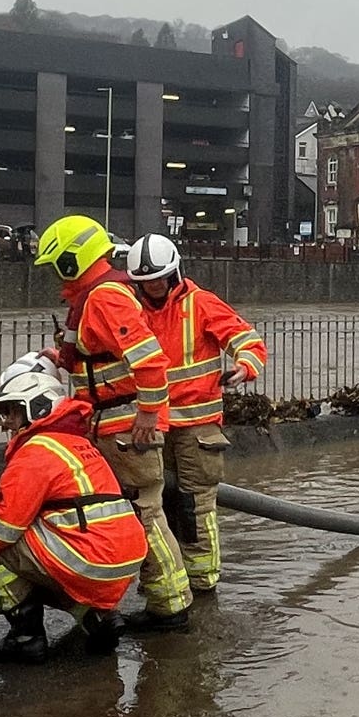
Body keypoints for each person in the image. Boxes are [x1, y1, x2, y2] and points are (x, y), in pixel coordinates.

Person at [0, 358, 148, 663]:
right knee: (37, 556)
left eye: (10, 412)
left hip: (90, 559)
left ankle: (26, 638)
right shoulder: (75, 443)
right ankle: (97, 618)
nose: (4, 422)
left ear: (35, 408)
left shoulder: (36, 453)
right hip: (122, 558)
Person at [33, 213, 192, 631]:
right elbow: (92, 358)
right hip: (111, 423)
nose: (54, 275)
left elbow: (150, 362)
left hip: (125, 426)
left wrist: (145, 416)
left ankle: (170, 605)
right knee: (135, 511)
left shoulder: (105, 297)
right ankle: (164, 600)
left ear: (72, 261)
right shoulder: (93, 298)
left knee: (144, 511)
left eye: (56, 265)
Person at [126, 233, 268, 595]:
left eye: (158, 279)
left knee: (195, 505)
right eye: (144, 282)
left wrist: (244, 368)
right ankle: (167, 579)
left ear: (173, 273)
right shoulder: (133, 310)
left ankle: (202, 582)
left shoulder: (200, 303)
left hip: (197, 427)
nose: (153, 287)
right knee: (156, 505)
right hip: (152, 425)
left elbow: (246, 340)